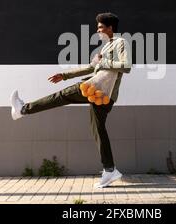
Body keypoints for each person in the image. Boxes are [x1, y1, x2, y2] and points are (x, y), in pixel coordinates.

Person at [10, 12, 131, 188]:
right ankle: (110, 169)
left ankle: (23, 109)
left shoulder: (121, 43)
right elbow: (90, 68)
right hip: (101, 94)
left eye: (100, 27)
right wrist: (65, 75)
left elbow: (126, 66)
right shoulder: (104, 48)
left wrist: (102, 63)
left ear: (110, 28)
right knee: (98, 130)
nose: (97, 31)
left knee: (61, 96)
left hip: (97, 89)